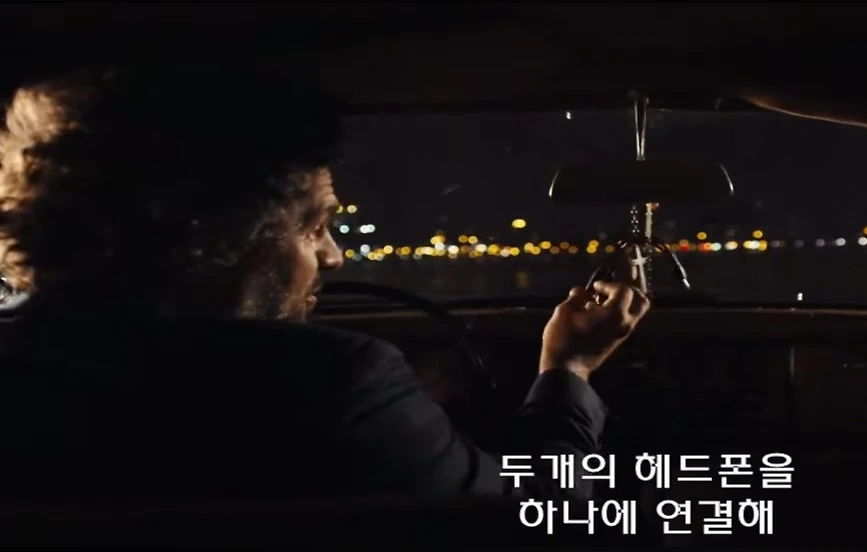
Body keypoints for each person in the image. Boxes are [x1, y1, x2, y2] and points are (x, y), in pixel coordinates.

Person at [0, 66, 648, 498]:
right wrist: (568, 370)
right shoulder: (330, 384)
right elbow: (538, 509)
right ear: (216, 241)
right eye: (313, 227)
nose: (333, 257)